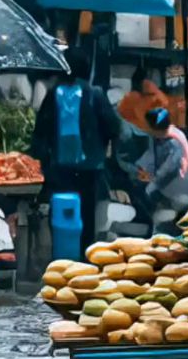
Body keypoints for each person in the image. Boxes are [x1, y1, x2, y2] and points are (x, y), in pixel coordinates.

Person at [30, 48, 121, 252]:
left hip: (59, 170)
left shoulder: (53, 94)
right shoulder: (95, 94)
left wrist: (42, 162)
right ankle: (86, 255)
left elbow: (40, 132)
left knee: (62, 212)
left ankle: (62, 254)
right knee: (86, 215)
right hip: (90, 169)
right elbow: (114, 128)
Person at [137, 106, 188, 226]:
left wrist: (151, 184)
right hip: (163, 186)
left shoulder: (175, 142)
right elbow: (151, 154)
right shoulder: (159, 136)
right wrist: (141, 167)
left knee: (159, 220)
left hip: (177, 192)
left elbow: (168, 168)